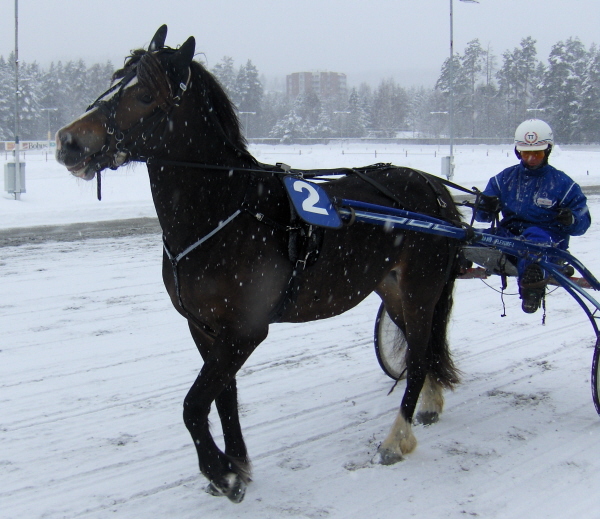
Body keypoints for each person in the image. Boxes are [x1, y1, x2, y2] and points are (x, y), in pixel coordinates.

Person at [475, 119, 591, 314]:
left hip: (548, 242)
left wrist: (571, 219)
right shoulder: (504, 179)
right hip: (508, 238)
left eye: (536, 153)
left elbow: (583, 222)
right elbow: (481, 216)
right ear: (517, 152)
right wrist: (486, 207)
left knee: (535, 238)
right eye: (525, 153)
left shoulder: (563, 184)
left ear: (547, 151)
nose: (530, 159)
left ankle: (532, 288)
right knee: (467, 234)